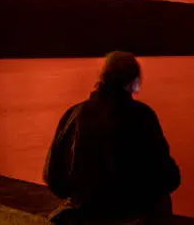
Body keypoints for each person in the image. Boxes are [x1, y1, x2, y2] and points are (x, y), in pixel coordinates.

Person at [44, 51, 181, 224]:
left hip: (85, 211)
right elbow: (170, 177)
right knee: (163, 204)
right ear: (132, 82)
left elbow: (53, 177)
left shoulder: (73, 115)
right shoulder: (142, 116)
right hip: (130, 213)